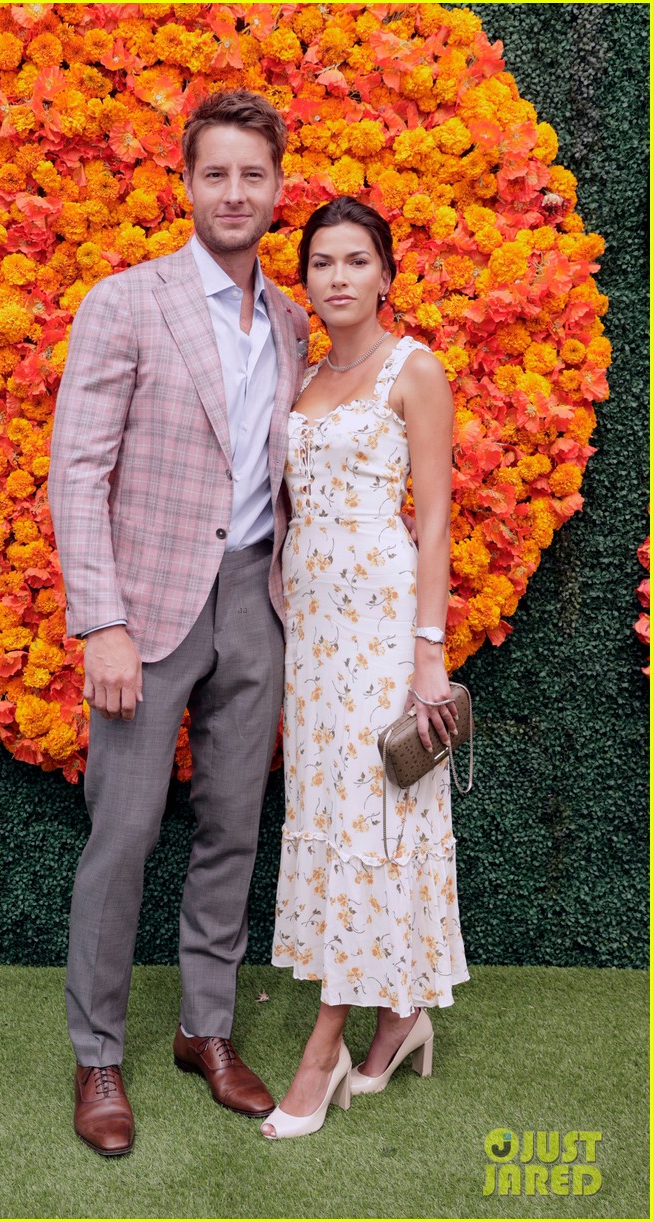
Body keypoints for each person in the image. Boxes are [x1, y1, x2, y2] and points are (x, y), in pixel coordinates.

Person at [47, 90, 309, 1157]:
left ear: (277, 188)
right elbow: (78, 469)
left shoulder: (292, 319)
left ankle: (206, 1030)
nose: (235, 192)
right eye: (217, 174)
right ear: (187, 182)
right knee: (124, 835)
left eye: (254, 175)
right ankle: (98, 1052)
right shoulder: (126, 302)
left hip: (257, 600)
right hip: (146, 608)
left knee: (234, 828)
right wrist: (99, 620)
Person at [262, 196, 469, 1140]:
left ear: (387, 273)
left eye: (355, 262)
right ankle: (401, 1016)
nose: (336, 278)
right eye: (320, 265)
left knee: (375, 812)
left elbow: (432, 520)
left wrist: (427, 655)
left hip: (383, 628)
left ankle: (326, 1046)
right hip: (310, 631)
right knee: (335, 813)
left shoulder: (412, 370)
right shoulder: (301, 378)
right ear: (304, 280)